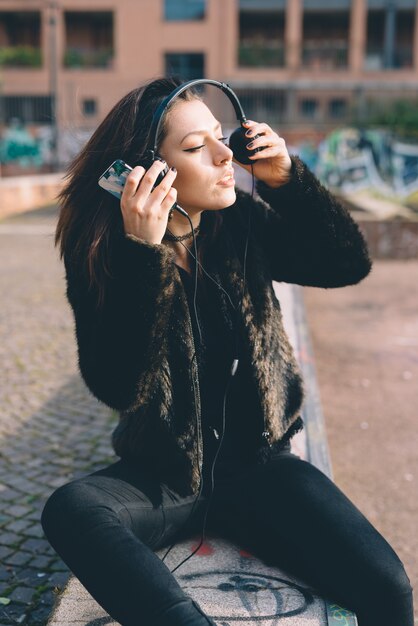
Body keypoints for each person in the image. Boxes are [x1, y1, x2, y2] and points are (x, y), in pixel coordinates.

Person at [41, 77, 414, 626]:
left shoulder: (235, 220)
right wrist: (145, 256)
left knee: (389, 586)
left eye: (223, 137)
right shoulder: (105, 252)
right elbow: (117, 384)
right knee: (71, 509)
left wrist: (290, 181)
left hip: (262, 466)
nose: (225, 156)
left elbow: (346, 263)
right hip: (164, 476)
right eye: (196, 148)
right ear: (148, 171)